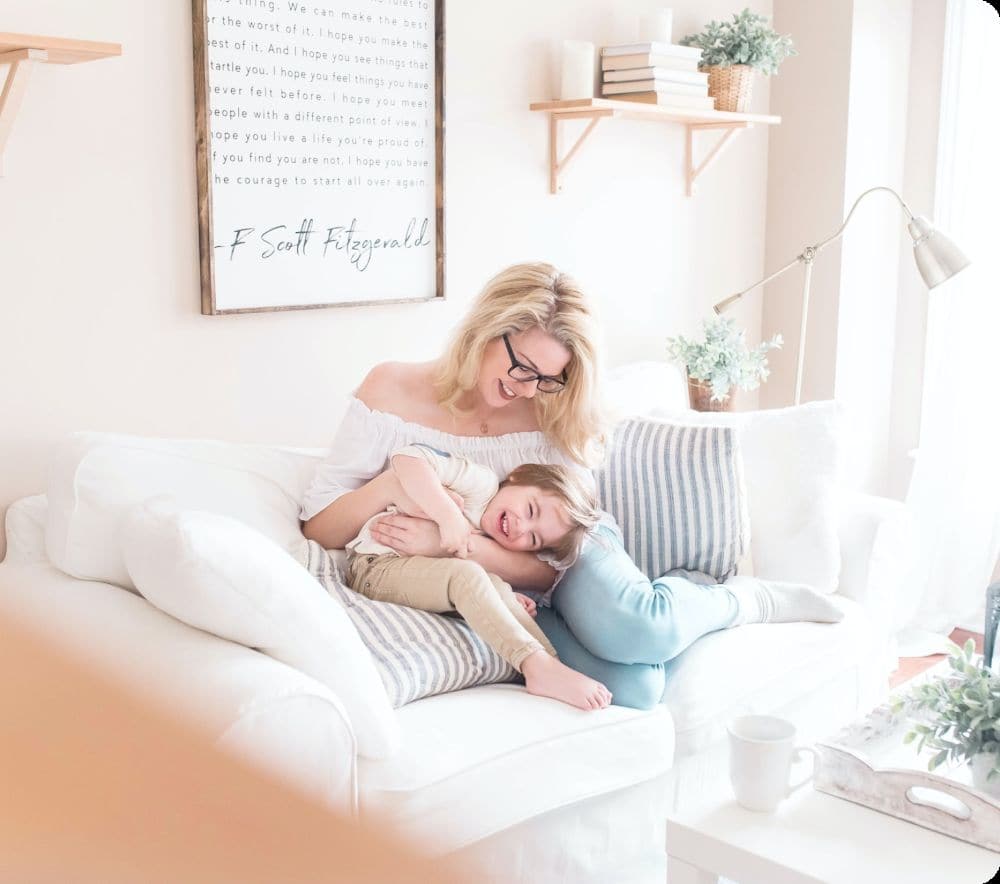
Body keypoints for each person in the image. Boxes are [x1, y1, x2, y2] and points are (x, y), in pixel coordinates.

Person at [301, 261, 840, 711]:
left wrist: (455, 542)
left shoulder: (550, 408)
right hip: (492, 576)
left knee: (639, 630)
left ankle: (737, 601)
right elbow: (319, 526)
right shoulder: (391, 390)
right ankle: (665, 612)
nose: (524, 388)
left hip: (563, 539)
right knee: (636, 690)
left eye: (546, 378)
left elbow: (550, 560)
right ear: (485, 331)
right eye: (521, 366)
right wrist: (396, 487)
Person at [344, 442, 609, 710]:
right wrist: (447, 515)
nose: (521, 527)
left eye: (533, 538)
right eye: (530, 510)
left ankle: (548, 664)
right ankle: (535, 665)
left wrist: (502, 597)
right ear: (519, 476)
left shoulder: (493, 542)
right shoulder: (480, 484)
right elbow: (407, 457)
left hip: (418, 578)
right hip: (374, 565)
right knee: (468, 575)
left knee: (496, 586)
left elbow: (451, 579)